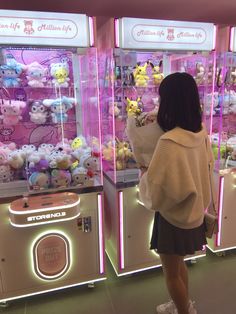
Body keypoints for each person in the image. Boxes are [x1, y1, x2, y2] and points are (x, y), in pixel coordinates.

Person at [135, 72, 215, 314]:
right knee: (180, 265)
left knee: (170, 274)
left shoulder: (169, 141)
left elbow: (156, 190)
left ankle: (183, 310)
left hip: (172, 217)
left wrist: (144, 172)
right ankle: (184, 304)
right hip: (193, 212)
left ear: (169, 102)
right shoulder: (201, 133)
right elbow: (206, 169)